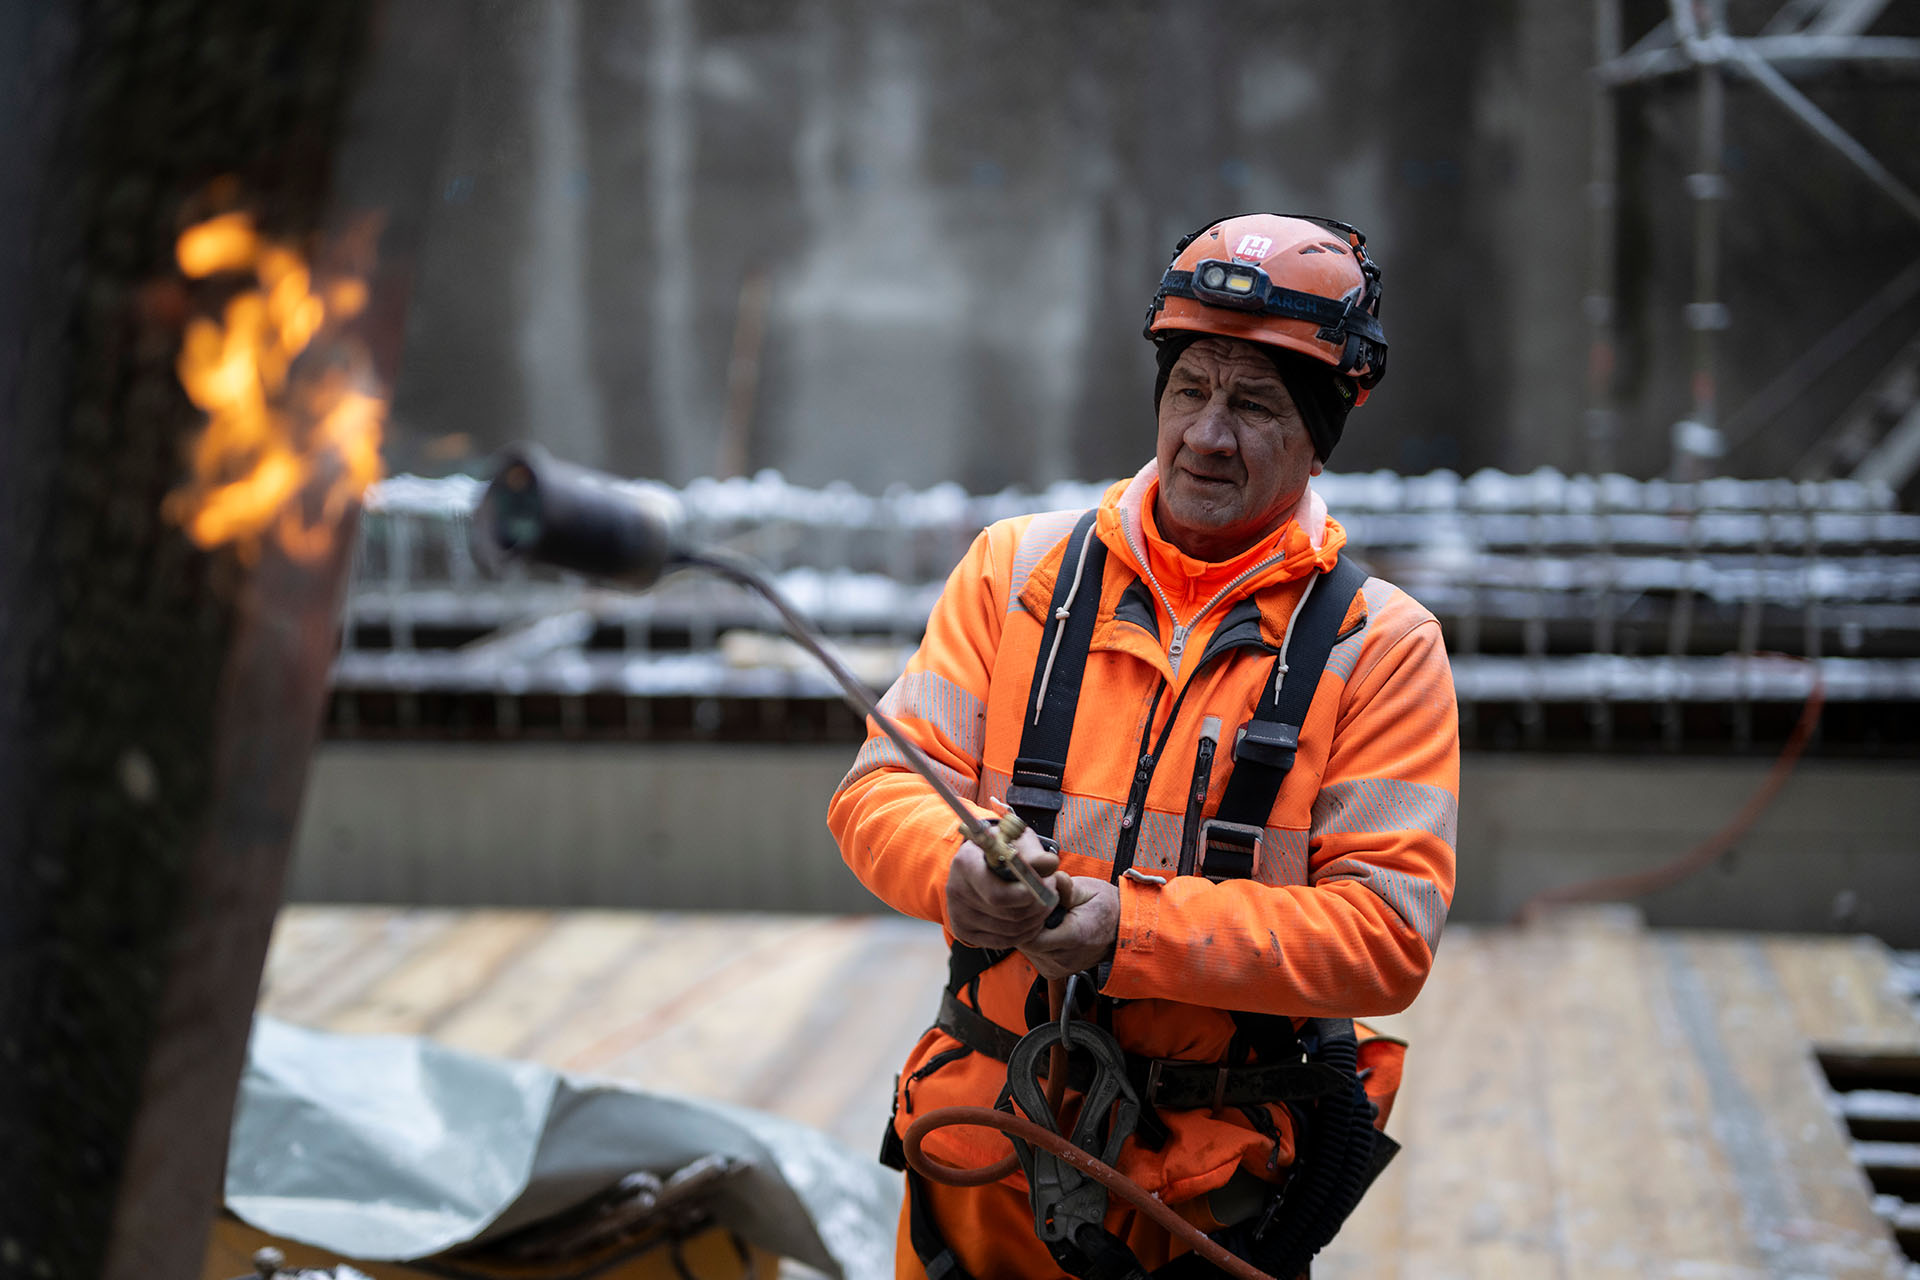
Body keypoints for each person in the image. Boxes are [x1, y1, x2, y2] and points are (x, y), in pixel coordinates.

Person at [828, 213, 1458, 1279]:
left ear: (1319, 433)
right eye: (1188, 390)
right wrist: (953, 871)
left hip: (1199, 1211)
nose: (1207, 434)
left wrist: (1132, 927)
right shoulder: (1014, 573)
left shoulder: (1379, 647)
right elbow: (882, 787)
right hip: (981, 1171)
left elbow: (1385, 932)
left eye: (1254, 404)